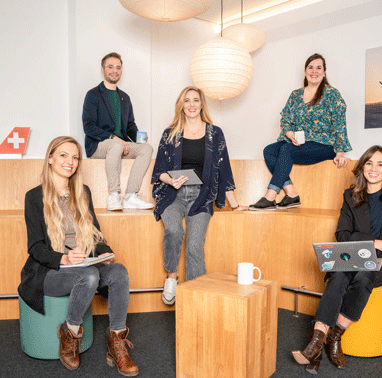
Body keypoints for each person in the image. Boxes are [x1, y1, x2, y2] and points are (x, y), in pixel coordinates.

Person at [292, 145, 382, 373]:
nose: (374, 169)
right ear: (362, 167)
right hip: (358, 254)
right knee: (338, 274)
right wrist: (376, 244)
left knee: (365, 274)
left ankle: (335, 336)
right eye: (369, 163)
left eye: (380, 164)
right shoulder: (350, 195)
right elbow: (342, 235)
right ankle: (316, 343)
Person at [18, 136, 139, 376]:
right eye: (63, 155)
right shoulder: (34, 196)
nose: (70, 162)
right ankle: (69, 333)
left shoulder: (82, 192)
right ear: (50, 159)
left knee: (119, 272)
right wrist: (63, 259)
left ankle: (117, 343)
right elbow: (35, 247)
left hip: (84, 266)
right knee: (90, 276)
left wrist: (106, 253)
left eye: (75, 157)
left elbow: (95, 235)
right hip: (50, 271)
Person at [151, 86, 248, 305]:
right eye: (187, 101)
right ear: (181, 105)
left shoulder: (215, 133)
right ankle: (172, 275)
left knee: (195, 246)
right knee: (174, 231)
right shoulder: (170, 133)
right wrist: (171, 180)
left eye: (196, 100)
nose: (192, 105)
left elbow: (224, 172)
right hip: (172, 194)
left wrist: (235, 204)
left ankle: (196, 296)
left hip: (201, 196)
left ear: (202, 104)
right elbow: (159, 171)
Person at [250, 53, 352, 211]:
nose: (314, 71)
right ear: (305, 71)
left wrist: (340, 152)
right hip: (301, 144)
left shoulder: (332, 94)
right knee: (269, 150)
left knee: (287, 149)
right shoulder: (295, 95)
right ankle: (291, 194)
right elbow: (285, 119)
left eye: (319, 67)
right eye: (310, 67)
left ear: (324, 72)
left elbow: (340, 123)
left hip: (324, 146)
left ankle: (270, 196)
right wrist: (289, 133)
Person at [82, 52, 154, 211]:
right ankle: (114, 195)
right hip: (99, 146)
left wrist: (139, 137)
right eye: (110, 67)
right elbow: (88, 127)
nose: (114, 70)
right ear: (102, 70)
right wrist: (114, 138)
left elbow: (130, 126)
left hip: (121, 145)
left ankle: (130, 196)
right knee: (116, 145)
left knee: (147, 148)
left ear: (121, 71)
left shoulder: (125, 98)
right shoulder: (93, 95)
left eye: (118, 68)